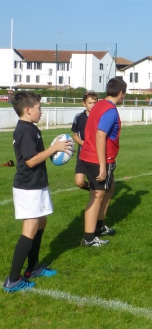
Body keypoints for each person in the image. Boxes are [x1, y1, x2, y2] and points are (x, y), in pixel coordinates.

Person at [3, 91, 73, 292]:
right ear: (28, 110)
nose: (41, 111)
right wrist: (55, 148)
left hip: (37, 184)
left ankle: (32, 268)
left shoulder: (31, 128)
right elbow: (31, 160)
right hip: (28, 187)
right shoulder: (25, 130)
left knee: (41, 222)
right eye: (39, 107)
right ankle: (13, 280)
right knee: (30, 228)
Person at [79, 77, 127, 247]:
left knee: (109, 188)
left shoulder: (99, 105)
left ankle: (99, 226)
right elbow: (100, 135)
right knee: (97, 196)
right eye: (124, 94)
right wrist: (102, 165)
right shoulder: (110, 110)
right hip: (97, 158)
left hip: (89, 155)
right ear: (121, 93)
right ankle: (89, 238)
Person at [71, 92, 98, 191]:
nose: (92, 105)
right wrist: (83, 143)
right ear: (84, 103)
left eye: (94, 103)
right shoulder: (79, 117)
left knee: (95, 181)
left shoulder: (99, 117)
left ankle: (96, 193)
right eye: (90, 103)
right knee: (79, 182)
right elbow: (75, 135)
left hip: (95, 154)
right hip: (82, 153)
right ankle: (92, 189)